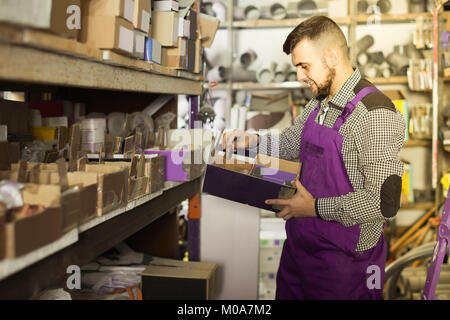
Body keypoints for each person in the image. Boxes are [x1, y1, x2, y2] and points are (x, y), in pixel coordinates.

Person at [223, 16, 405, 300]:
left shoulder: (375, 114)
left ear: (332, 56)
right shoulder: (320, 101)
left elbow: (383, 203)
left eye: (304, 66)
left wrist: (316, 208)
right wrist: (252, 140)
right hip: (301, 250)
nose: (299, 76)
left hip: (347, 265)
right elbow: (291, 141)